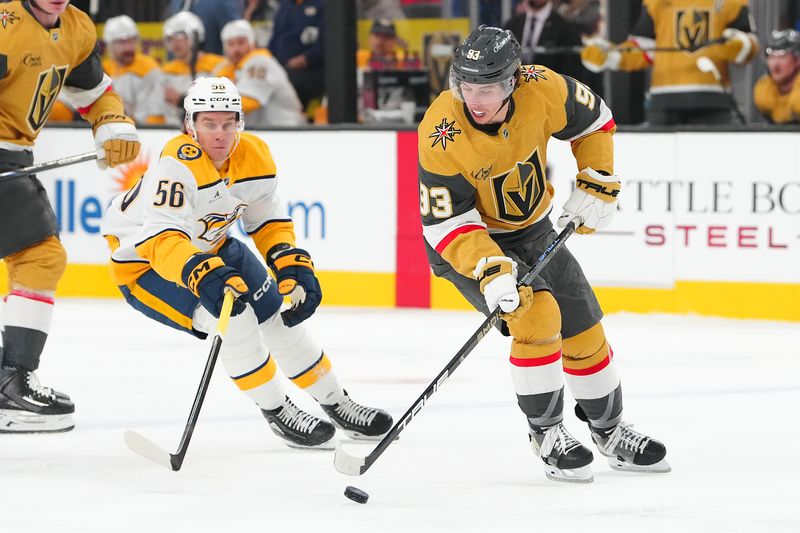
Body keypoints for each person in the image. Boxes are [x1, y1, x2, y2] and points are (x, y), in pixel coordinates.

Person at [418, 25, 669, 482]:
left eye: (489, 87)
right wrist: (491, 270)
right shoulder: (440, 132)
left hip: (534, 229)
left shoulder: (542, 87)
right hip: (468, 243)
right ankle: (546, 433)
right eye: (467, 85)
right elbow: (445, 221)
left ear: (512, 81)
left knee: (583, 327)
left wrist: (598, 177)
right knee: (537, 318)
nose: (476, 98)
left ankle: (609, 432)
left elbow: (595, 121)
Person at [101, 77, 392, 448]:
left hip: (215, 246)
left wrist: (289, 262)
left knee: (281, 316)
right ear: (190, 125)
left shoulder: (254, 154)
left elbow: (266, 221)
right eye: (209, 124)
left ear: (239, 122)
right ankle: (277, 410)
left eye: (228, 123)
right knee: (236, 322)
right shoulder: (176, 163)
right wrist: (200, 273)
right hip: (146, 265)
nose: (220, 135)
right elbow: (162, 240)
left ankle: (337, 402)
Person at [0, 0, 140, 432]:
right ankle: (11, 384)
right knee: (39, 256)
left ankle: (11, 382)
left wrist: (112, 123)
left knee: (39, 256)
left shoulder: (77, 28)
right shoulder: (4, 23)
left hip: (14, 158)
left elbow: (94, 93)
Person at [580, 0, 758, 125]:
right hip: (664, 102)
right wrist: (610, 56)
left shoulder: (732, 2)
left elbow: (750, 46)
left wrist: (739, 45)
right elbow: (644, 49)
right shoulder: (656, 2)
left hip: (713, 102)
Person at [503, 0, 601, 96]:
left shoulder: (566, 28)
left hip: (551, 98)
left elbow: (572, 76)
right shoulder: (511, 25)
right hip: (516, 97)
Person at [219, 19, 306, 127]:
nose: (236, 49)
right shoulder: (229, 67)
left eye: (241, 42)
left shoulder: (259, 62)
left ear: (252, 43)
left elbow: (248, 102)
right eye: (230, 44)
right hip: (268, 133)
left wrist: (210, 106)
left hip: (289, 132)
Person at [161, 11, 227, 127]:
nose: (175, 43)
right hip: (175, 130)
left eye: (180, 37)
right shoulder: (166, 70)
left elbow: (220, 103)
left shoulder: (218, 65)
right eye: (170, 38)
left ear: (195, 36)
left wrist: (181, 100)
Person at [102, 15, 165, 124]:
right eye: (122, 42)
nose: (129, 47)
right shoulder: (102, 69)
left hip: (143, 131)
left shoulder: (148, 68)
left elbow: (151, 114)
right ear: (110, 45)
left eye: (132, 41)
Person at [267, 0, 325, 110]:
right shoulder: (285, 5)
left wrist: (307, 58)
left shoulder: (323, 5)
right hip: (281, 67)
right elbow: (274, 39)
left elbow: (328, 43)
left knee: (283, 86)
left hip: (312, 70)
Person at [753, 29, 800, 124]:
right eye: (771, 57)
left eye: (782, 57)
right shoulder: (764, 90)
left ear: (797, 60)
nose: (775, 64)